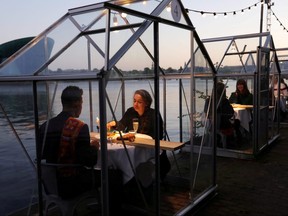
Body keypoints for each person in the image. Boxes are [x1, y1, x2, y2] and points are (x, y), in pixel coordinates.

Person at [39, 85, 122, 214]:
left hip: (50, 184)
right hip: (71, 184)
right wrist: (94, 147)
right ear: (77, 103)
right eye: (82, 102)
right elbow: (89, 161)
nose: (82, 105)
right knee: (114, 175)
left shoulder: (45, 126)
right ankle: (112, 212)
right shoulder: (79, 127)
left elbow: (43, 154)